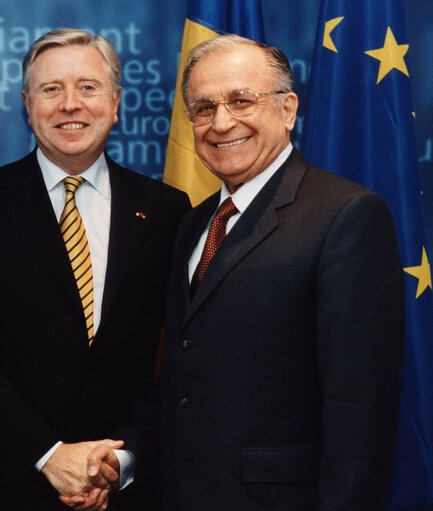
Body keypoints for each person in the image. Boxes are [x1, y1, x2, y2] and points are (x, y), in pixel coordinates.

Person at [82, 34, 405, 511]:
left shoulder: (346, 215)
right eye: (204, 108)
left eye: (241, 101)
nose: (221, 122)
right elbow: (182, 379)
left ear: (288, 109)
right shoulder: (194, 223)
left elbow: (359, 416)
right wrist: (126, 461)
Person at [0, 28, 190, 511]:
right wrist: (49, 457)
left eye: (88, 87)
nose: (71, 104)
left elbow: (179, 353)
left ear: (115, 102)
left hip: (126, 488)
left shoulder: (168, 209)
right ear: (28, 105)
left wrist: (121, 460)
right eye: (51, 89)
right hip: (4, 488)